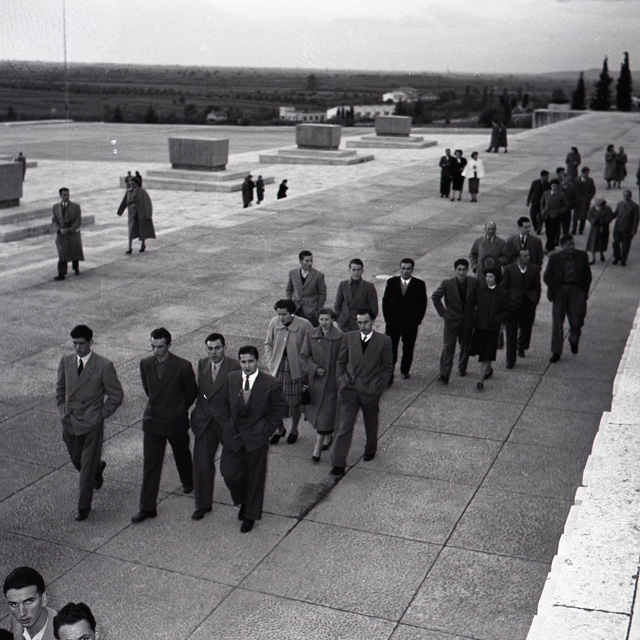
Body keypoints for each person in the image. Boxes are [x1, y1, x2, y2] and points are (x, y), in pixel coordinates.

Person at [56, 325, 123, 521]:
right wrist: (62, 410)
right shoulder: (66, 361)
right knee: (77, 460)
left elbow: (116, 395)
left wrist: (100, 414)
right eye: (75, 343)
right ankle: (97, 469)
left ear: (90, 342)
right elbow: (60, 389)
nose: (78, 348)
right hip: (70, 422)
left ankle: (83, 507)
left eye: (82, 343)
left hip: (91, 424)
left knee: (85, 469)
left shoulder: (103, 365)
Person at [132, 327, 198, 523]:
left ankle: (188, 481)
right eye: (153, 346)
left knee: (181, 453)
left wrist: (178, 409)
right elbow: (149, 390)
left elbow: (191, 392)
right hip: (153, 421)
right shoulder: (145, 364)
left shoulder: (182, 366)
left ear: (169, 345)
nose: (156, 351)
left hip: (175, 421)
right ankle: (147, 508)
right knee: (151, 465)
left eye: (160, 347)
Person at [219, 345, 286, 533]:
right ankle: (244, 500)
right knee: (229, 473)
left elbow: (279, 408)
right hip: (234, 436)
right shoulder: (231, 378)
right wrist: (227, 424)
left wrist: (267, 430)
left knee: (255, 478)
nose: (247, 365)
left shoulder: (270, 383)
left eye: (250, 361)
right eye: (243, 362)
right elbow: (223, 403)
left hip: (257, 439)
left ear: (257, 361)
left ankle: (250, 515)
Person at [330, 308, 393, 476]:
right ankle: (338, 462)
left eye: (366, 322)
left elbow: (387, 367)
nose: (363, 326)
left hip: (370, 391)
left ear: (372, 321)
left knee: (370, 423)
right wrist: (340, 380)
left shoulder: (384, 341)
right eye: (359, 322)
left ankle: (371, 449)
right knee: (344, 427)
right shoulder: (349, 337)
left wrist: (379, 387)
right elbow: (341, 361)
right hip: (349, 389)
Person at [189, 333, 241, 521]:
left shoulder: (234, 366)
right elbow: (202, 392)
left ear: (224, 348)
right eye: (210, 348)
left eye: (217, 348)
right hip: (205, 423)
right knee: (202, 465)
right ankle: (202, 504)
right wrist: (199, 410)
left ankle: (243, 500)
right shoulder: (203, 363)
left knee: (232, 469)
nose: (213, 352)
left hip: (226, 423)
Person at [265, 299, 312, 445]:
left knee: (294, 402)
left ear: (292, 313)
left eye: (284, 314)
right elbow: (268, 343)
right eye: (279, 314)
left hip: (295, 369)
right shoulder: (274, 322)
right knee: (275, 402)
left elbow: (311, 347)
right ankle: (280, 429)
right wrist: (270, 361)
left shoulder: (304, 324)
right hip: (278, 367)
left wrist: (305, 367)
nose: (281, 317)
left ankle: (294, 429)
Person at [299, 308, 343, 462]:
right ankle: (327, 437)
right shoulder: (311, 334)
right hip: (316, 382)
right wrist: (315, 368)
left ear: (333, 320)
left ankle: (317, 448)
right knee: (321, 415)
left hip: (332, 383)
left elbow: (344, 359)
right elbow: (304, 356)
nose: (324, 323)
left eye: (327, 319)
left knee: (325, 415)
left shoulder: (340, 337)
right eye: (321, 319)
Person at [544, 235, 592, 363]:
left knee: (577, 320)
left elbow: (587, 275)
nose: (571, 247)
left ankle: (574, 338)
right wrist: (555, 289)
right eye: (567, 245)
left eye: (572, 244)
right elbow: (547, 276)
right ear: (561, 246)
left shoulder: (582, 255)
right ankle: (556, 351)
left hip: (576, 290)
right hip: (560, 290)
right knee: (557, 322)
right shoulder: (555, 257)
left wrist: (583, 291)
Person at [432, 259, 479, 384]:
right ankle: (444, 374)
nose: (461, 272)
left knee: (465, 346)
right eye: (459, 270)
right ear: (455, 270)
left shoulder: (474, 282)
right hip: (452, 321)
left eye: (464, 270)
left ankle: (462, 368)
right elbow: (435, 297)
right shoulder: (447, 284)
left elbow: (479, 299)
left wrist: (474, 314)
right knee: (448, 347)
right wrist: (444, 314)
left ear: (467, 270)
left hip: (467, 320)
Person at [382, 257, 428, 384]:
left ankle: (404, 370)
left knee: (408, 348)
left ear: (412, 269)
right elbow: (385, 301)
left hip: (410, 324)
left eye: (408, 269)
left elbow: (422, 304)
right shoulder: (392, 282)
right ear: (400, 268)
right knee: (391, 349)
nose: (405, 271)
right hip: (393, 323)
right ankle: (389, 374)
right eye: (403, 268)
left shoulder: (419, 284)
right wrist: (387, 319)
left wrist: (416, 321)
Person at [501, 249, 541, 368]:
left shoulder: (534, 269)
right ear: (518, 258)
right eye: (524, 256)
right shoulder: (509, 269)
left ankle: (521, 346)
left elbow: (537, 286)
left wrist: (534, 300)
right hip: (513, 305)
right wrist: (506, 303)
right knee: (511, 333)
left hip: (528, 304)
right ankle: (510, 360)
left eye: (528, 255)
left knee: (526, 327)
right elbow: (504, 287)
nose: (528, 257)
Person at [469, 269, 509, 389]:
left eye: (490, 277)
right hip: (480, 327)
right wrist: (475, 318)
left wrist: (497, 319)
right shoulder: (480, 291)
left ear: (496, 278)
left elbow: (506, 311)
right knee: (482, 351)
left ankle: (481, 380)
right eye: (486, 276)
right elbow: (473, 305)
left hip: (492, 328)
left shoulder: (502, 293)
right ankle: (488, 369)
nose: (487, 279)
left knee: (487, 354)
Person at [3, 567, 57, 640]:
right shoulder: (14, 619)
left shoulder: (60, 634)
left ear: (44, 599)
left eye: (29, 601)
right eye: (14, 604)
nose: (22, 613)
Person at [333, 258, 379, 331]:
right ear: (349, 270)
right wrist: (339, 319)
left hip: (359, 325)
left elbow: (374, 309)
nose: (356, 272)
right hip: (344, 324)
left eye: (358, 270)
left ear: (362, 270)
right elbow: (337, 304)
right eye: (353, 270)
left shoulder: (369, 287)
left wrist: (366, 323)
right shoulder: (343, 285)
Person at [285, 250, 327, 327]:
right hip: (296, 310)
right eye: (307, 261)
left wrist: (318, 309)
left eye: (311, 261)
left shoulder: (318, 275)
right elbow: (289, 289)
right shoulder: (293, 273)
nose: (310, 263)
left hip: (311, 312)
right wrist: (290, 304)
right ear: (300, 261)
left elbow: (322, 293)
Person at [117, 174, 155, 254]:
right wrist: (120, 211)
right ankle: (129, 248)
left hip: (140, 213)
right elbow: (124, 202)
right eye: (131, 183)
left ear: (137, 183)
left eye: (133, 183)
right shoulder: (129, 192)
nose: (132, 185)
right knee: (131, 229)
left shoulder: (142, 192)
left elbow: (147, 203)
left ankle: (142, 244)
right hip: (131, 213)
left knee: (142, 229)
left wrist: (148, 214)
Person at [52, 188, 84, 281]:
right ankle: (61, 273)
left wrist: (69, 230)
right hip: (61, 235)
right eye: (64, 195)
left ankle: (75, 267)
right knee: (62, 253)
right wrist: (59, 229)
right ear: (60, 196)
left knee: (74, 251)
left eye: (67, 195)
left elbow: (78, 221)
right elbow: (54, 220)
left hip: (72, 234)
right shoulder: (56, 207)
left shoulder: (75, 207)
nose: (66, 197)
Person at [469, 221, 510, 285]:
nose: (491, 231)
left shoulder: (501, 242)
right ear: (485, 229)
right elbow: (472, 255)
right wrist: (475, 266)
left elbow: (506, 256)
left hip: (495, 271)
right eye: (489, 229)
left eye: (493, 229)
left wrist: (495, 261)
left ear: (495, 230)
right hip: (481, 272)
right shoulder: (478, 241)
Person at [612, 189, 640, 266]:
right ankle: (617, 257)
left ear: (630, 196)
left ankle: (623, 260)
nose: (625, 197)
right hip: (618, 228)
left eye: (627, 195)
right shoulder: (620, 204)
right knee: (615, 243)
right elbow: (615, 213)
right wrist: (608, 218)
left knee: (625, 245)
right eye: (624, 195)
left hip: (627, 229)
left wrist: (634, 230)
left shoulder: (635, 206)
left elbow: (636, 219)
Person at [540, 180, 569, 253]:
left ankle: (547, 247)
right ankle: (551, 246)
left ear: (558, 187)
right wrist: (542, 210)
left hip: (555, 215)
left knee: (552, 231)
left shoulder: (561, 195)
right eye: (553, 186)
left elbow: (566, 205)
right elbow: (542, 202)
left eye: (556, 186)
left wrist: (560, 211)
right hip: (547, 215)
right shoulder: (546, 193)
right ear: (551, 186)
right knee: (548, 231)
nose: (554, 188)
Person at [585, 197, 615, 264]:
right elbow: (589, 216)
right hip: (594, 228)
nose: (600, 207)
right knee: (593, 242)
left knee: (603, 241)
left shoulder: (608, 209)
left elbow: (610, 216)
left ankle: (601, 254)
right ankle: (593, 258)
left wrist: (604, 222)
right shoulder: (592, 209)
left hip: (604, 227)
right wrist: (595, 221)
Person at [572, 166, 596, 235]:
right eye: (586, 173)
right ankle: (574, 229)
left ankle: (581, 229)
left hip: (585, 201)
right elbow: (573, 189)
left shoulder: (590, 180)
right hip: (577, 200)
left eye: (588, 173)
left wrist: (589, 198)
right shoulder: (576, 180)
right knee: (575, 215)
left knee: (584, 215)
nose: (587, 174)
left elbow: (593, 190)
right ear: (582, 173)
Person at [526, 170, 551, 234]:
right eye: (546, 176)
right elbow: (531, 192)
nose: (547, 178)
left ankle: (538, 229)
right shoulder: (535, 183)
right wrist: (528, 201)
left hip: (543, 203)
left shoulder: (548, 184)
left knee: (541, 216)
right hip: (535, 202)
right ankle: (535, 226)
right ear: (542, 176)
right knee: (532, 215)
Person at [560, 171, 576, 236]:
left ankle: (565, 235)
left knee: (566, 224)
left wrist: (571, 206)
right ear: (563, 178)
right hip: (558, 208)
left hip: (567, 209)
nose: (568, 180)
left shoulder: (572, 187)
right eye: (567, 179)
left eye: (569, 179)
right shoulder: (558, 187)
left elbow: (574, 198)